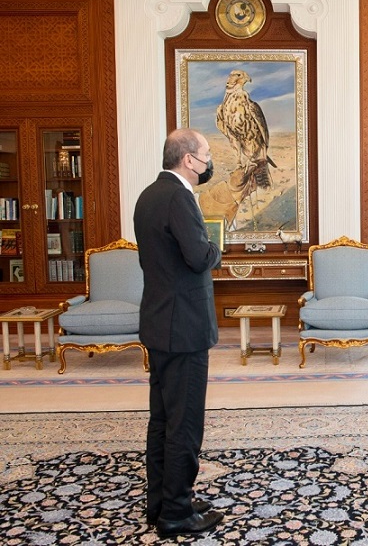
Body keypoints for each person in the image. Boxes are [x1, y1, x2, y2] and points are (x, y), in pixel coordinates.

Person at [134, 128, 223, 538]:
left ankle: (161, 503)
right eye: (206, 154)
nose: (209, 161)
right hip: (183, 328)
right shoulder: (179, 197)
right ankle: (176, 513)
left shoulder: (148, 195)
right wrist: (217, 247)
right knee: (184, 424)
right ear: (189, 159)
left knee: (163, 421)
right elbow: (200, 256)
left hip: (159, 323)